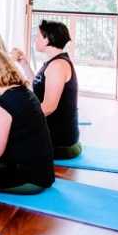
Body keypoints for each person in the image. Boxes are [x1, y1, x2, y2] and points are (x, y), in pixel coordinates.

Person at [0, 48, 54, 194]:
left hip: (28, 179)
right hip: (43, 173)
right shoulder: (25, 91)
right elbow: (15, 126)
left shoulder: (2, 106)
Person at [12, 20, 81, 159]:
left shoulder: (58, 66)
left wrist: (18, 117)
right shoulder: (54, 62)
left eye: (37, 36)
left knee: (7, 140)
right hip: (53, 133)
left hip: (60, 142)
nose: (34, 39)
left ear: (47, 39)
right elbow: (37, 87)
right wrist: (24, 64)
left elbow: (49, 107)